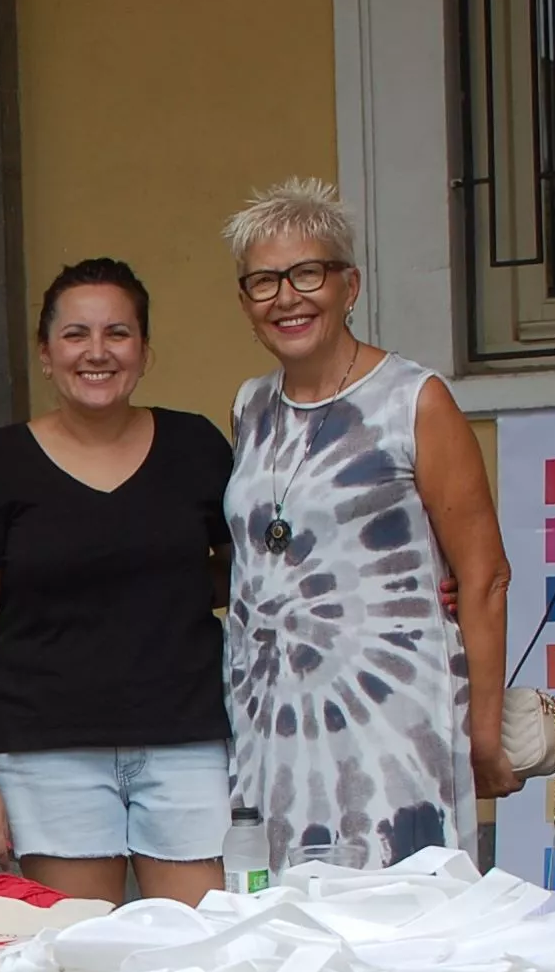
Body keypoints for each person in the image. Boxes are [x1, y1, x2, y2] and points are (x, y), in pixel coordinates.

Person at [219, 179, 518, 869]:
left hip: (392, 709)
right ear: (245, 303)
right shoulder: (249, 405)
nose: (286, 297)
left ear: (348, 286)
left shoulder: (415, 399)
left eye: (307, 273)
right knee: (289, 922)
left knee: (399, 911)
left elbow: (484, 574)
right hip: (274, 718)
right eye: (264, 282)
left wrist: (484, 733)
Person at [0, 257, 235, 905]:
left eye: (118, 333)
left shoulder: (196, 447)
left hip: (186, 745)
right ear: (45, 353)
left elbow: (251, 576)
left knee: (198, 955)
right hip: (50, 755)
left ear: (145, 351)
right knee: (81, 960)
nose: (96, 352)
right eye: (75, 335)